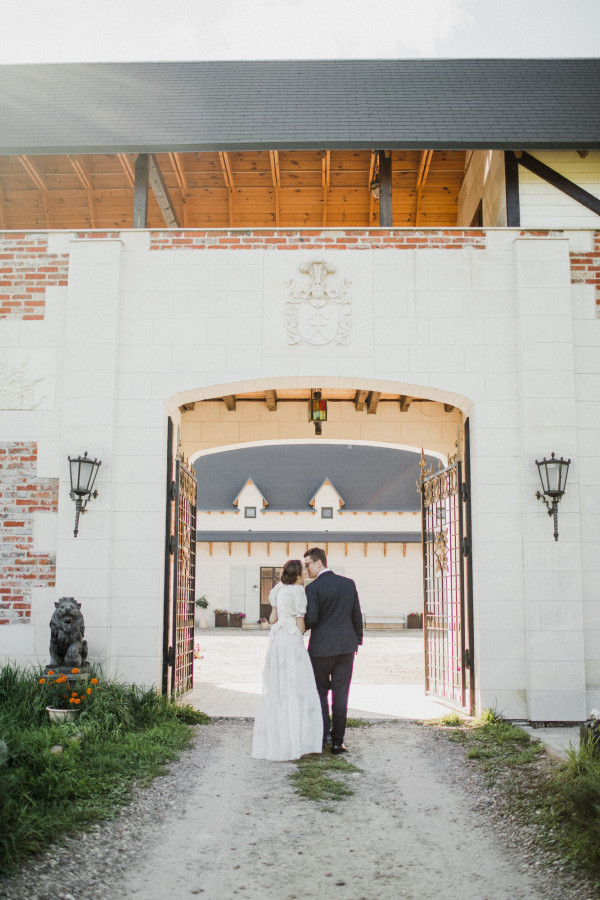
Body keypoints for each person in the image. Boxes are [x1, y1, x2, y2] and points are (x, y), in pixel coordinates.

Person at [251, 559, 323, 761]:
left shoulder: (278, 590)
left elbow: (272, 619)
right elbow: (300, 621)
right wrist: (300, 634)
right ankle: (296, 739)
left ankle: (277, 738)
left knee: (279, 685)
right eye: (303, 570)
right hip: (291, 639)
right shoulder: (298, 591)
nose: (305, 572)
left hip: (277, 640)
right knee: (295, 683)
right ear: (298, 574)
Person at [304, 547, 363, 754]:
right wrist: (357, 640)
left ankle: (323, 736)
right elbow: (356, 614)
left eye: (308, 565)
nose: (306, 569)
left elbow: (311, 619)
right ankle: (338, 741)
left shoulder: (312, 588)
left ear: (318, 563)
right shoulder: (348, 584)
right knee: (341, 694)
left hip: (320, 650)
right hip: (346, 647)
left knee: (320, 692)